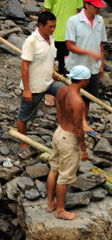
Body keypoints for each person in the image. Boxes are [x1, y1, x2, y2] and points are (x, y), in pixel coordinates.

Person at [16, 11, 65, 158]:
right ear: (40, 25)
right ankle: (23, 142)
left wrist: (53, 72)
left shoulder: (51, 38)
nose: (52, 29)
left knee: (67, 93)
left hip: (49, 83)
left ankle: (63, 130)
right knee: (24, 116)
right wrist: (27, 90)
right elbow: (24, 66)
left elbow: (51, 57)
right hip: (34, 86)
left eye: (54, 26)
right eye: (50, 27)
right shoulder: (31, 42)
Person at [46, 65, 91, 220]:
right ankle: (60, 210)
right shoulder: (78, 101)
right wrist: (83, 149)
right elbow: (79, 128)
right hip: (69, 138)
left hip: (59, 132)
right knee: (64, 176)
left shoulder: (61, 91)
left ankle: (50, 203)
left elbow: (59, 113)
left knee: (54, 169)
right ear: (84, 80)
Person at [64, 0, 107, 135]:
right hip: (76, 67)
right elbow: (69, 45)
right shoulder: (74, 21)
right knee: (74, 96)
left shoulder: (100, 21)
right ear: (87, 5)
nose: (98, 10)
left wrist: (101, 65)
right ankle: (76, 122)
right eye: (96, 6)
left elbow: (100, 44)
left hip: (92, 68)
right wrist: (88, 52)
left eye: (99, 7)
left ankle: (82, 121)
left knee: (87, 98)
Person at [44, 0, 84, 76]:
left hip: (57, 32)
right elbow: (77, 12)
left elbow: (46, 12)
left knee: (55, 58)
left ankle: (58, 74)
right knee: (64, 59)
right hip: (65, 33)